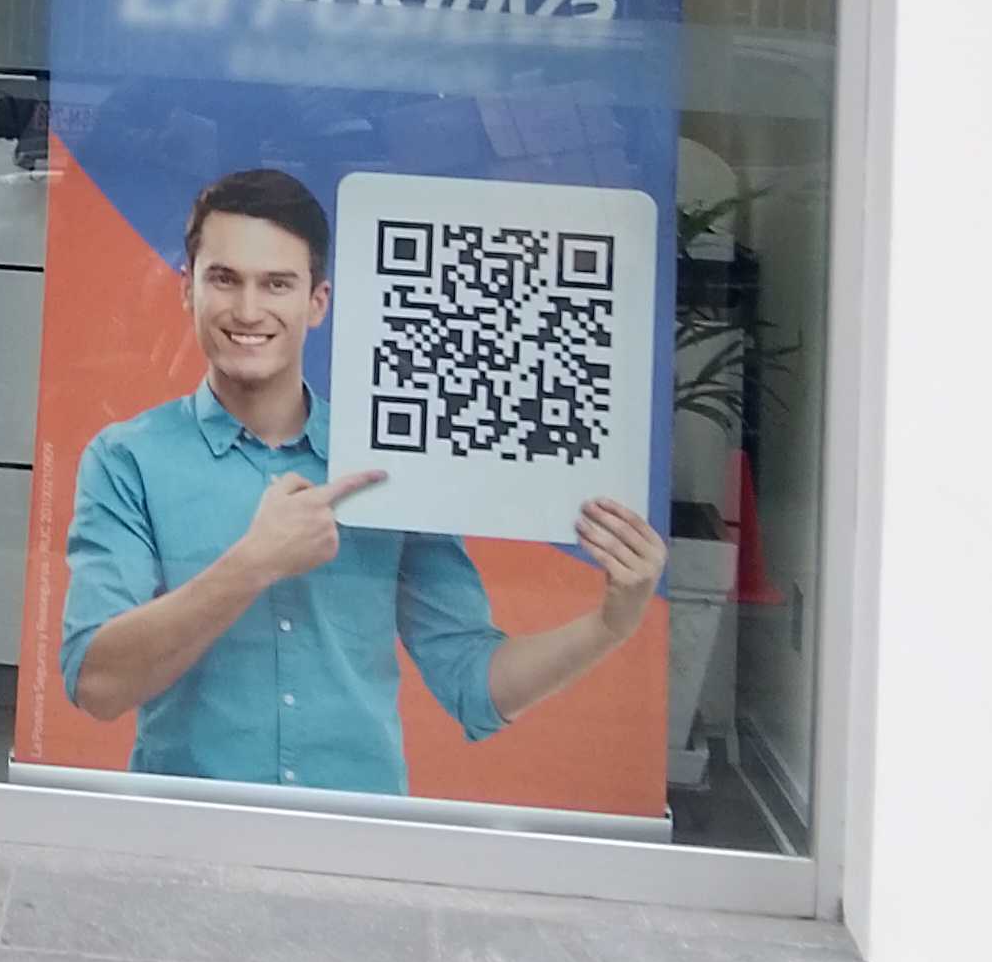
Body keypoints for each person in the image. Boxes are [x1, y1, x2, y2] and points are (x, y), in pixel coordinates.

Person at [60, 164, 665, 795]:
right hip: (188, 831)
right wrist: (252, 565)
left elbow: (473, 681)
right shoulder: (126, 460)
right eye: (224, 279)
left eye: (277, 284)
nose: (248, 309)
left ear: (317, 302)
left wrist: (610, 625)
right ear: (188, 289)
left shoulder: (393, 462)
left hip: (361, 833)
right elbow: (97, 684)